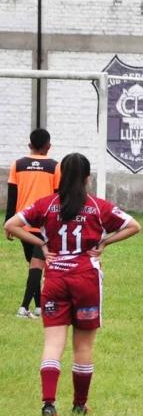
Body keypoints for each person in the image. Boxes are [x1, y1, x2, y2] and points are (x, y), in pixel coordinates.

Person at [4, 153, 141, 416]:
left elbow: (11, 224)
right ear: (88, 178)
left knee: (53, 344)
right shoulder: (97, 207)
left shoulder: (47, 204)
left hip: (55, 279)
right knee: (83, 347)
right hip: (86, 280)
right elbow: (134, 226)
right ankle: (79, 405)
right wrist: (104, 243)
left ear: (61, 177)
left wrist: (41, 244)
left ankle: (48, 405)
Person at [5, 128, 61, 319]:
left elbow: (12, 196)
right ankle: (23, 308)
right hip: (44, 224)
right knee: (37, 264)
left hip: (21, 224)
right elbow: (57, 197)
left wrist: (8, 224)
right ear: (49, 146)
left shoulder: (17, 165)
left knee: (34, 264)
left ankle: (38, 307)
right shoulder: (55, 167)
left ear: (30, 145)